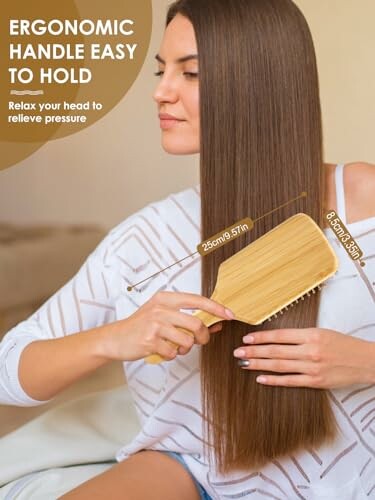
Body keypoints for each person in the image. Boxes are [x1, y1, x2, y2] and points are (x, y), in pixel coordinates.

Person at [1, 0, 375, 498]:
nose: (160, 92)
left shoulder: (361, 199)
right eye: (161, 71)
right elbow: (10, 371)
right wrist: (116, 338)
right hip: (194, 469)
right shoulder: (146, 236)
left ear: (262, 84)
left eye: (191, 73)